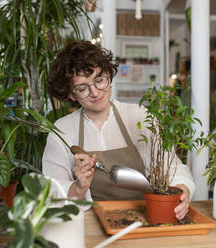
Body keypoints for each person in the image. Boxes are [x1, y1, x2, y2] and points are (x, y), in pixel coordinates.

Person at [42, 40, 195, 220]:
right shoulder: (62, 131)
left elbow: (174, 168)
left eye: (99, 80)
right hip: (89, 221)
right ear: (71, 94)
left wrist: (182, 192)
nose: (95, 92)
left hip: (144, 218)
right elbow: (52, 191)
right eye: (82, 88)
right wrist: (78, 187)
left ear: (109, 74)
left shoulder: (139, 116)